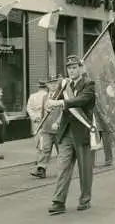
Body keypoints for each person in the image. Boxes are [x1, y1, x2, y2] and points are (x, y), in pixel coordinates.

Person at [45, 55, 96, 214]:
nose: (72, 70)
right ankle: (58, 201)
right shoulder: (64, 84)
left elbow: (81, 100)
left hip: (82, 131)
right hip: (66, 132)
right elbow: (55, 98)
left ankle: (85, 199)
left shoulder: (89, 84)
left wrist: (60, 103)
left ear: (80, 68)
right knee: (63, 167)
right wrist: (49, 105)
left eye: (74, 67)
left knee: (84, 169)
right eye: (69, 68)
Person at [31, 76, 63, 179]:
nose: (53, 85)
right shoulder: (45, 97)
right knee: (45, 149)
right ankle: (41, 169)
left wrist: (58, 122)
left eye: (55, 83)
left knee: (61, 151)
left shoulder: (61, 95)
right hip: (46, 128)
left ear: (58, 84)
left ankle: (63, 170)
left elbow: (64, 111)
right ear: (47, 85)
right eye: (51, 83)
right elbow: (42, 112)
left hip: (58, 128)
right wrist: (41, 126)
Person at [26, 80, 50, 169]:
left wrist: (34, 117)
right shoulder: (48, 96)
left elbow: (28, 108)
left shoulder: (33, 96)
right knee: (45, 139)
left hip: (36, 120)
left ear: (38, 87)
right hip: (46, 119)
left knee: (38, 139)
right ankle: (42, 160)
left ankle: (39, 158)